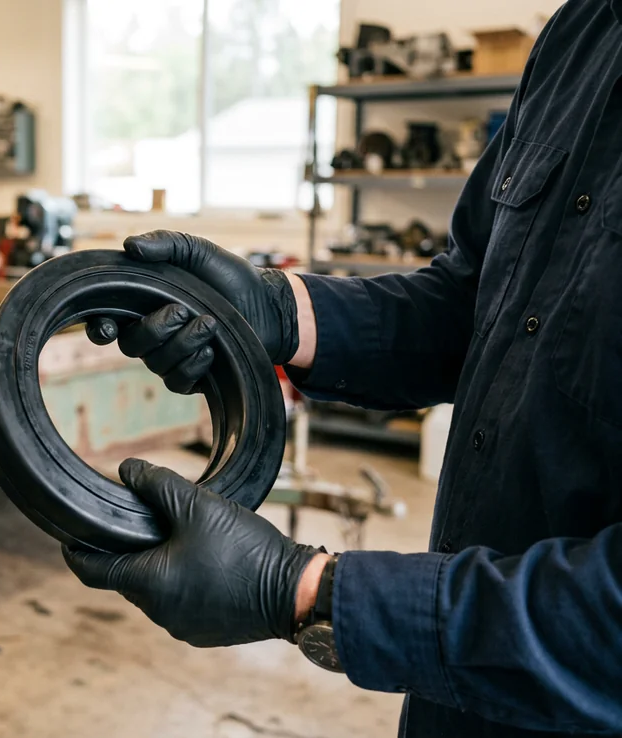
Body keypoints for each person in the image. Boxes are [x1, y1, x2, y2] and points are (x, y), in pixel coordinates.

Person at [63, 1, 622, 736]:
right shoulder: (582, 33)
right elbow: (476, 303)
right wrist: (277, 309)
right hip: (455, 698)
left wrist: (302, 591)